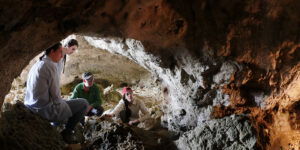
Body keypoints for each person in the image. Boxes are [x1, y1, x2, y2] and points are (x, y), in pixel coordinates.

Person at [24, 42, 88, 143]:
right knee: (83, 104)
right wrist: (64, 109)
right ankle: (67, 132)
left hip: (30, 105)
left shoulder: (38, 63)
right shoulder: (50, 66)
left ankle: (55, 125)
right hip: (43, 109)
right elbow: (55, 95)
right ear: (52, 51)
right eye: (60, 52)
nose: (62, 55)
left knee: (67, 105)